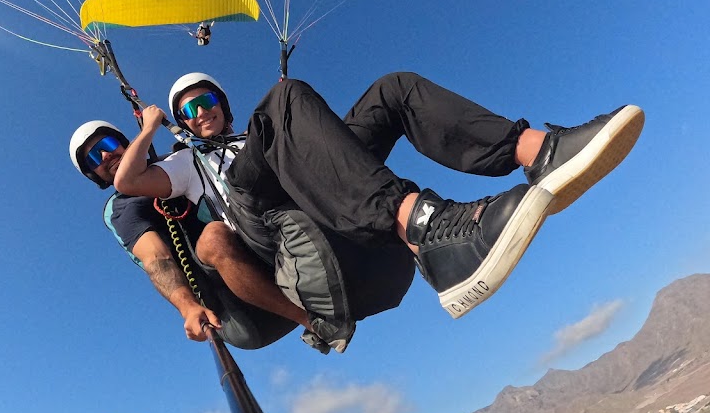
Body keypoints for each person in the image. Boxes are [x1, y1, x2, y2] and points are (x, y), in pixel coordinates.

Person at [113, 72, 644, 353]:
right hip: (263, 225)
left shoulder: (257, 132)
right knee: (283, 102)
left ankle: (540, 152)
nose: (200, 112)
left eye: (206, 100)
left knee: (392, 90)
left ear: (224, 105)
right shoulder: (184, 164)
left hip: (309, 192)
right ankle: (428, 227)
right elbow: (128, 180)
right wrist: (151, 129)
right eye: (189, 108)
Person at [68, 120, 298, 349]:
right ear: (93, 174)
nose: (106, 155)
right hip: (240, 312)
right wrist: (188, 307)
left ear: (123, 143)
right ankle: (314, 323)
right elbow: (157, 259)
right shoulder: (123, 209)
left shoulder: (179, 162)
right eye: (94, 158)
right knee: (214, 237)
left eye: (107, 144)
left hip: (269, 256)